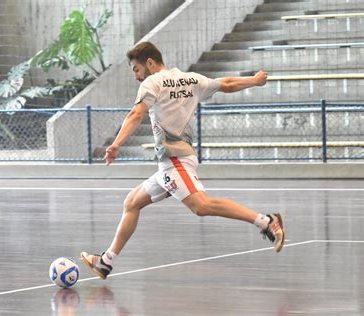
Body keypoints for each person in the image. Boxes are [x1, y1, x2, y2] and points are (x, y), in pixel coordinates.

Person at [81, 42, 285, 279]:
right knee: (132, 203)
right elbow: (225, 84)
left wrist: (116, 144)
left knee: (202, 206)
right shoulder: (191, 79)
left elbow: (136, 114)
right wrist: (254, 81)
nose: (136, 76)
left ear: (149, 63)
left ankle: (266, 221)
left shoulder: (152, 82)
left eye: (136, 69)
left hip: (175, 160)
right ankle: (106, 261)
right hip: (171, 164)